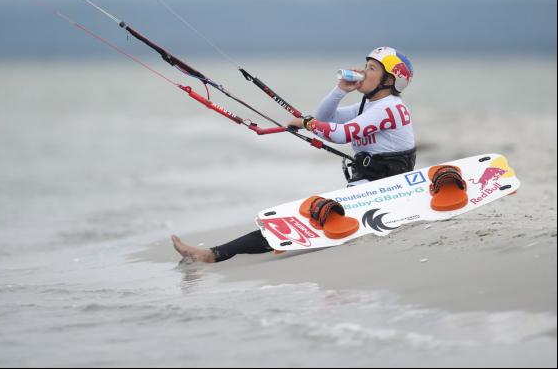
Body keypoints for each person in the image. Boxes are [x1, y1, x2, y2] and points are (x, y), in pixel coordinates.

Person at [172, 47, 416, 263]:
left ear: (391, 80)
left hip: (387, 187)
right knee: (305, 215)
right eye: (365, 66)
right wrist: (340, 90)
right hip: (369, 184)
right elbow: (324, 118)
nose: (363, 72)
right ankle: (213, 255)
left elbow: (342, 134)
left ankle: (211, 255)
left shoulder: (390, 107)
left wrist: (308, 124)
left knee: (304, 217)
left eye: (371, 68)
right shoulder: (368, 105)